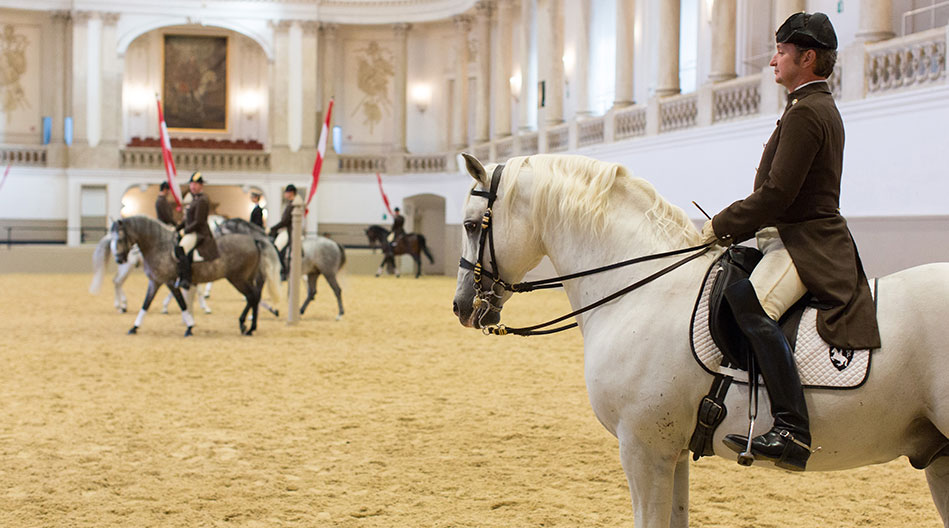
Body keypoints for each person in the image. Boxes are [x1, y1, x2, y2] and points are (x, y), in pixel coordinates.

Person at [701, 12, 881, 471]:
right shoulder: (807, 106)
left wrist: (721, 224)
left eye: (781, 52)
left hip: (807, 241)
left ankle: (792, 429)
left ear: (808, 56)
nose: (772, 61)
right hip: (793, 234)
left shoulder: (807, 112)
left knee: (751, 304)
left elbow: (778, 195)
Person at [174, 172, 219, 290]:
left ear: (201, 186)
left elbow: (198, 222)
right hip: (192, 230)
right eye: (191, 184)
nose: (193, 186)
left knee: (181, 248)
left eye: (195, 184)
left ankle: (186, 279)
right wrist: (177, 229)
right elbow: (187, 219)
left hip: (198, 233)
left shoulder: (202, 200)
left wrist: (185, 231)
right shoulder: (194, 199)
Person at [268, 184, 296, 280]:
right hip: (288, 230)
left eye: (286, 192)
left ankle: (284, 272)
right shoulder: (290, 204)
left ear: (291, 193)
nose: (285, 194)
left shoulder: (292, 204)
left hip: (291, 232)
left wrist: (272, 228)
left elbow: (285, 221)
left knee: (279, 250)